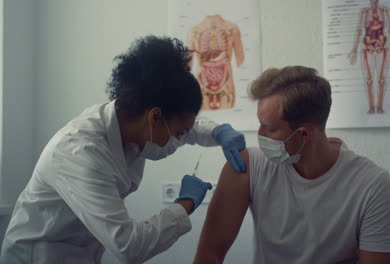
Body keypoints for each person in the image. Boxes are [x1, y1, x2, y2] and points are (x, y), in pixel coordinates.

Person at [0, 35, 246, 264]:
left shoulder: (134, 127)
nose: (178, 140)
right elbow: (129, 246)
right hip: (39, 255)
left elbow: (185, 126)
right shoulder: (80, 153)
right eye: (179, 133)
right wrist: (184, 204)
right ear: (155, 116)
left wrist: (217, 132)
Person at [194, 66, 390, 263]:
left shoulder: (372, 186)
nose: (259, 134)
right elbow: (208, 256)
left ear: (303, 133)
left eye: (269, 128)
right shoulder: (247, 167)